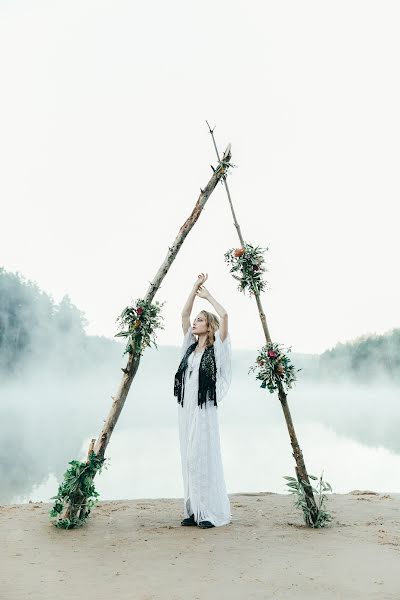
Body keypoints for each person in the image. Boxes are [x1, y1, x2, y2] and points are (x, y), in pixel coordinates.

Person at [174, 273, 232, 529]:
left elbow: (226, 316)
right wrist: (193, 287)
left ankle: (208, 512)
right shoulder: (189, 345)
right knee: (188, 456)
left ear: (209, 326)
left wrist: (208, 296)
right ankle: (193, 510)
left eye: (201, 320)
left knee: (202, 455)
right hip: (187, 408)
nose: (195, 322)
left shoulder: (217, 346)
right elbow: (183, 315)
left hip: (205, 409)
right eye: (196, 320)